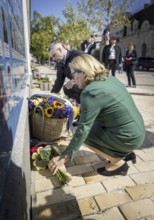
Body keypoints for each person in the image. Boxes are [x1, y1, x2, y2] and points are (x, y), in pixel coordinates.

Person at [48, 54, 145, 177]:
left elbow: (83, 130)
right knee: (94, 124)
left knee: (84, 134)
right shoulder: (108, 78)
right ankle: (125, 153)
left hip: (128, 138)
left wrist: (63, 157)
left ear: (83, 72)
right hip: (137, 131)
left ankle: (118, 163)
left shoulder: (90, 92)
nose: (72, 79)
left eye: (73, 75)